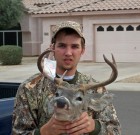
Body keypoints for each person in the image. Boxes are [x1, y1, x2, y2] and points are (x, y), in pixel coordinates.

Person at [12, 21, 121, 135]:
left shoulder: (97, 89)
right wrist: (44, 132)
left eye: (74, 46)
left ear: (82, 50)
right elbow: (17, 132)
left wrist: (95, 127)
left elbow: (115, 130)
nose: (68, 53)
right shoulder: (30, 88)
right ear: (52, 48)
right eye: (62, 46)